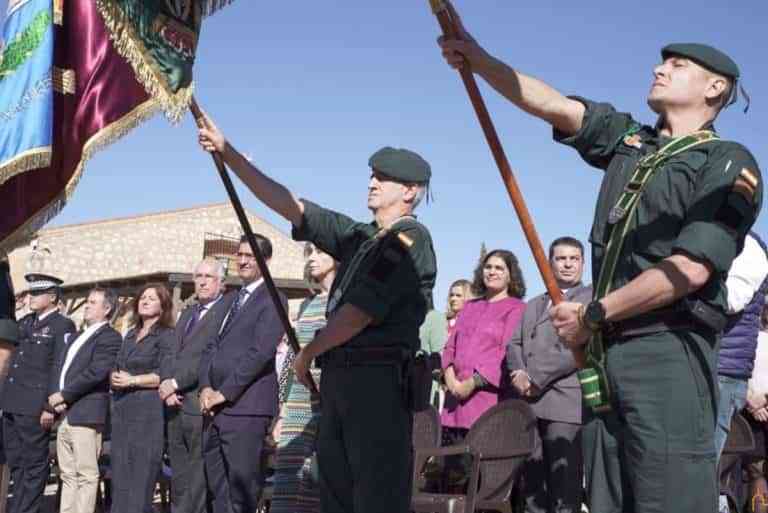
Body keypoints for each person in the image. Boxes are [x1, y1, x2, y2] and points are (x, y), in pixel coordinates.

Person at [439, 5, 762, 511]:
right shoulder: (631, 141)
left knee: (668, 496)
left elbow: (692, 268)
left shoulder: (726, 162)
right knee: (607, 497)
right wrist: (480, 60)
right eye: (662, 62)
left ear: (715, 88)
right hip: (604, 356)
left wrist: (593, 313)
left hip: (668, 350)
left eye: (677, 66)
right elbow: (554, 106)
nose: (659, 68)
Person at [198, 116, 436, 513]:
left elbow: (360, 312)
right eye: (372, 175)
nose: (372, 182)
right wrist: (229, 154)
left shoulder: (410, 239)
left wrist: (308, 353)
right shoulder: (361, 238)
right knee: (336, 497)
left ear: (410, 191)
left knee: (375, 498)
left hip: (376, 385)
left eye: (384, 178)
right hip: (342, 383)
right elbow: (292, 206)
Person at [198, 234, 286, 513]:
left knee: (242, 492)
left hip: (246, 409)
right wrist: (205, 387)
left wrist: (224, 392)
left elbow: (260, 352)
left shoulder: (273, 298)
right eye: (240, 255)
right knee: (219, 491)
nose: (244, 261)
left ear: (266, 260)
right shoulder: (230, 300)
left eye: (251, 255)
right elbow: (211, 346)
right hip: (214, 409)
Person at [507, 237, 591, 513]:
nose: (567, 264)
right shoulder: (533, 303)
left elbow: (574, 348)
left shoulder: (590, 300)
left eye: (574, 258)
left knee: (564, 486)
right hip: (530, 404)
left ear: (582, 263)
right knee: (532, 487)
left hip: (564, 403)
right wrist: (518, 371)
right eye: (561, 258)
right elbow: (515, 343)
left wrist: (535, 378)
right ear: (550, 263)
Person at [159, 259, 232, 513]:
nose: (201, 281)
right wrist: (166, 385)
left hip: (198, 405)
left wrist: (176, 383)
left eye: (208, 277)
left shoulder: (225, 310)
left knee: (197, 478)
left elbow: (207, 356)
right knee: (179, 478)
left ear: (221, 283)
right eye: (198, 276)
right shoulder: (188, 312)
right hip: (174, 405)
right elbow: (171, 352)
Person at [0, 273, 75, 513]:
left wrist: (49, 406)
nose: (30, 297)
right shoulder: (24, 322)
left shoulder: (62, 325)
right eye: (29, 292)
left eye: (36, 293)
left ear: (52, 297)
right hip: (12, 403)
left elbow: (59, 366)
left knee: (34, 466)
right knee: (17, 463)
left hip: (34, 406)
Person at [271, 243, 337, 513]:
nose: (312, 258)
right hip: (298, 402)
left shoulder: (344, 304)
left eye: (320, 252)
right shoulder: (309, 304)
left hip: (327, 401)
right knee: (288, 481)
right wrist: (284, 410)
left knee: (317, 483)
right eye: (308, 253)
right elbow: (291, 359)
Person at [440, 249, 525, 460]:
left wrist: (472, 383)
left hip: (486, 402)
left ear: (510, 275)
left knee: (478, 471)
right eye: (488, 267)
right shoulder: (469, 307)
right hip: (454, 403)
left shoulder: (516, 308)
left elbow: (505, 351)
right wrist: (450, 378)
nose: (492, 272)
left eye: (499, 268)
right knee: (450, 472)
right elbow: (450, 347)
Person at [47, 287, 121, 513]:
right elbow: (62, 369)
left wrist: (64, 395)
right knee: (67, 474)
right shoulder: (79, 336)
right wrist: (57, 399)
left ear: (107, 309)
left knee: (86, 474)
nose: (87, 305)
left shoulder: (110, 337)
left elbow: (96, 372)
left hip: (86, 414)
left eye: (92, 302)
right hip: (66, 414)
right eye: (87, 301)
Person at [110, 284, 174, 513]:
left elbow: (165, 375)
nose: (145, 301)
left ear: (163, 305)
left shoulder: (166, 335)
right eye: (143, 298)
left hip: (147, 415)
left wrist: (133, 380)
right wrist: (115, 377)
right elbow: (118, 365)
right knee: (119, 479)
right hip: (121, 410)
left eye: (152, 298)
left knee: (140, 479)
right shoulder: (130, 334)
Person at [715, 233, 768, 512]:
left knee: (717, 468)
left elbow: (729, 301)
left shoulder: (749, 249)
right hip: (736, 391)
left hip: (727, 378)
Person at [745, 304, 768, 513]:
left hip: (752, 408)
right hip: (752, 411)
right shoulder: (752, 337)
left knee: (757, 472)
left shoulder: (748, 337)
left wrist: (754, 401)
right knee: (757, 471)